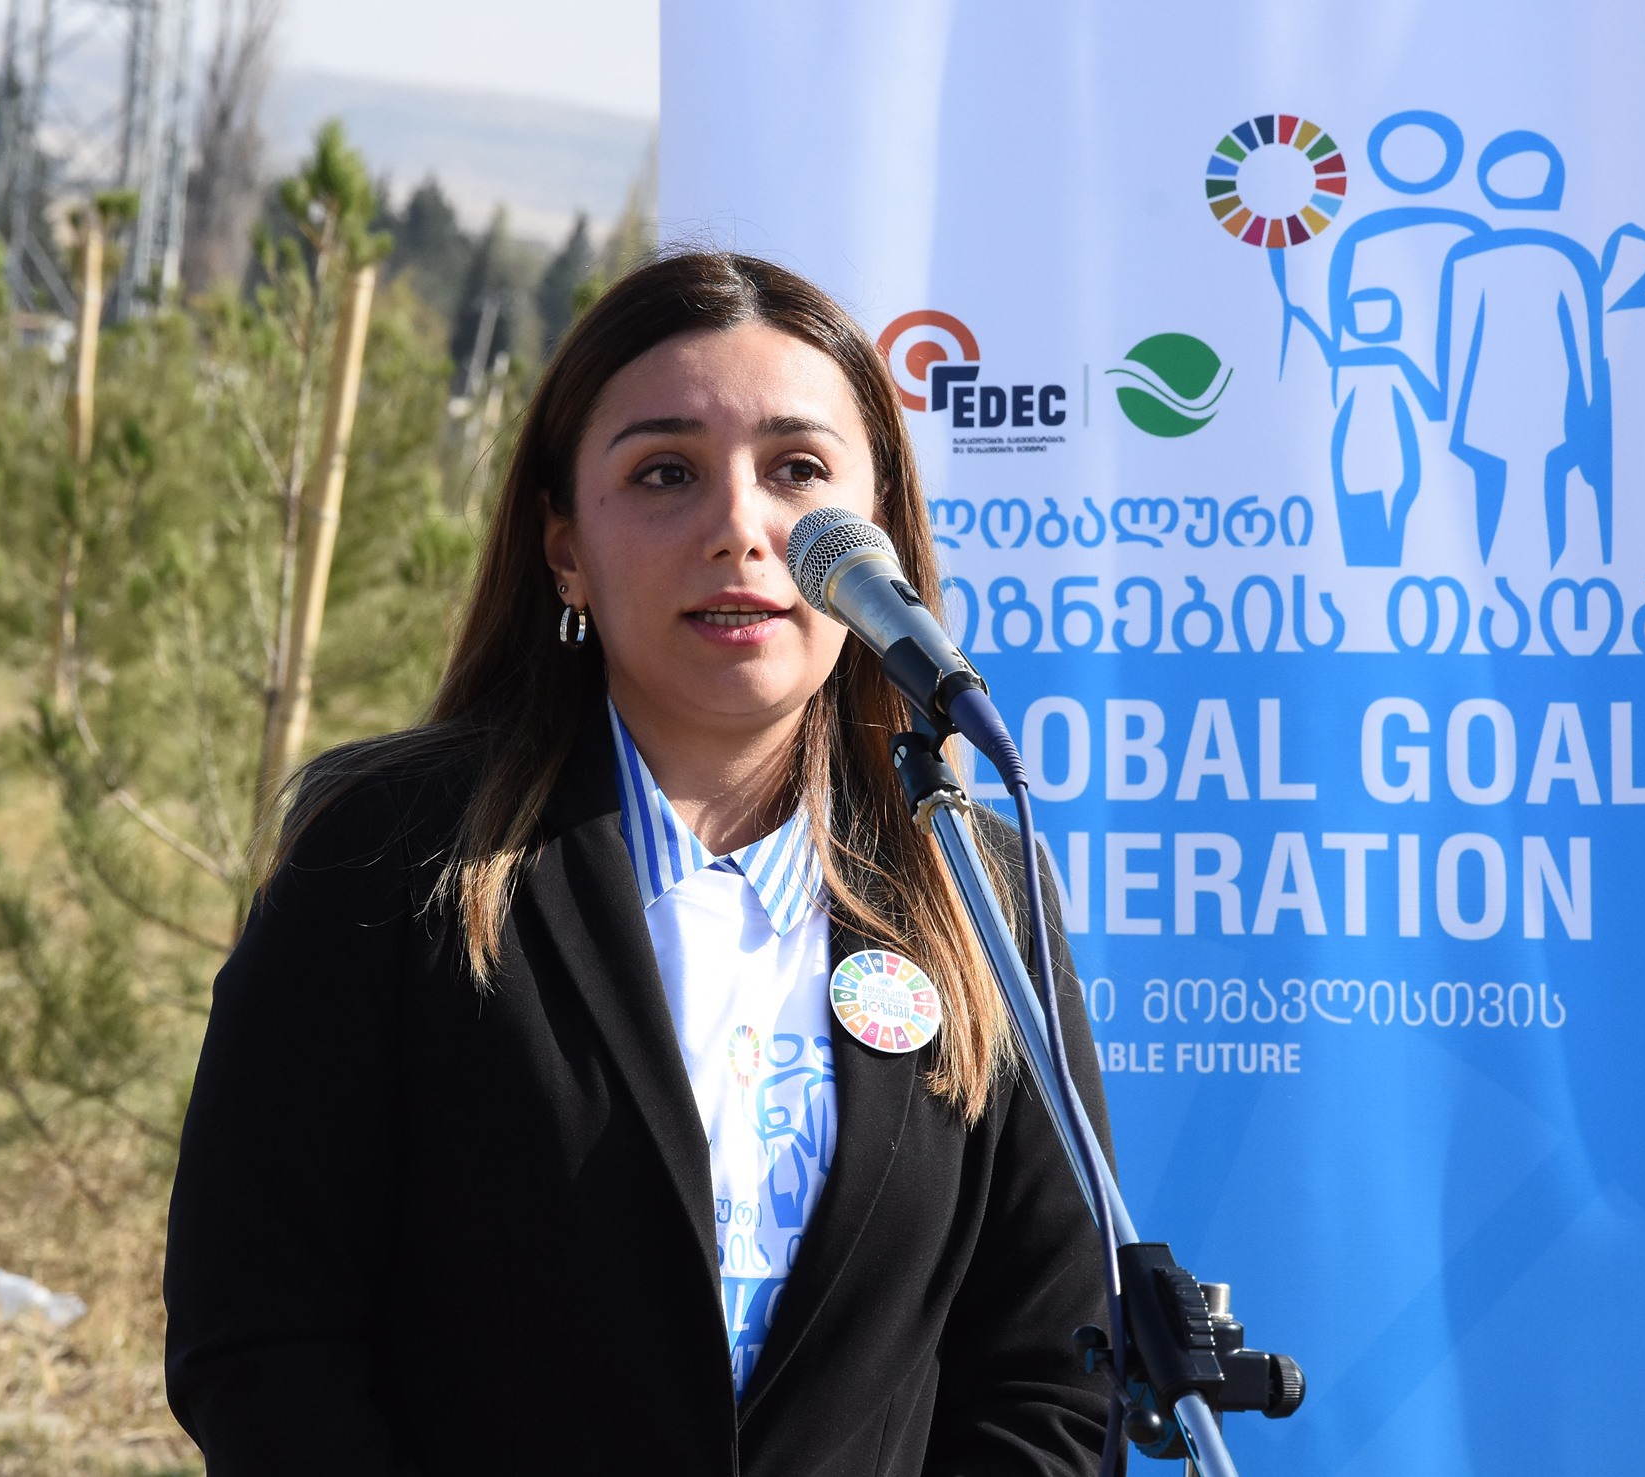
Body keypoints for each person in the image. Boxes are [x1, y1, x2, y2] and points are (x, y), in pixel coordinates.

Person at [163, 251, 1117, 1475]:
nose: (739, 530)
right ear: (565, 549)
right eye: (664, 473)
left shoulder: (973, 889)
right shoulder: (393, 854)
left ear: (875, 533)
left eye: (798, 471)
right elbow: (261, 1333)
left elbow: (1053, 1371)